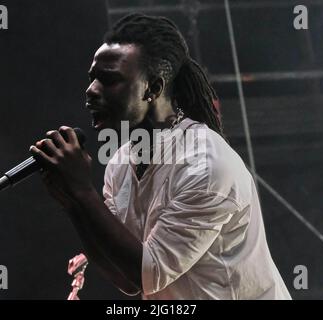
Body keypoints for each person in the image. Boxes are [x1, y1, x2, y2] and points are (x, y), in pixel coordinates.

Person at [29, 13, 291, 299]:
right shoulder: (120, 164)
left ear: (153, 88)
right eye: (93, 78)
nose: (91, 91)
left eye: (109, 80)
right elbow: (126, 280)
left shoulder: (204, 165)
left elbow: (146, 274)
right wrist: (72, 201)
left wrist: (82, 190)